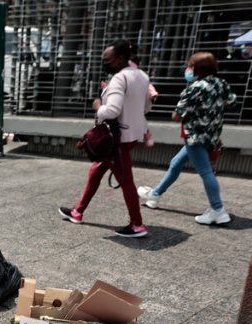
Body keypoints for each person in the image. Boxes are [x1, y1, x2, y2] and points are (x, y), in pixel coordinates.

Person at [59, 40, 152, 238]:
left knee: (126, 181)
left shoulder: (119, 78)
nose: (104, 62)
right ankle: (78, 211)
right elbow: (146, 107)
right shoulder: (142, 76)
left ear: (119, 58)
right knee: (96, 171)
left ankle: (137, 225)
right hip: (131, 135)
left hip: (116, 139)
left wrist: (97, 106)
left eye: (107, 59)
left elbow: (112, 110)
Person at [138, 52, 236, 225]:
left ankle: (218, 210)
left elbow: (177, 115)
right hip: (211, 135)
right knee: (176, 162)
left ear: (197, 69)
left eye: (189, 66)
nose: (187, 69)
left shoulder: (195, 87)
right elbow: (232, 102)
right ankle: (156, 194)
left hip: (195, 137)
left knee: (206, 172)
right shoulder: (222, 84)